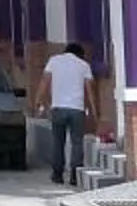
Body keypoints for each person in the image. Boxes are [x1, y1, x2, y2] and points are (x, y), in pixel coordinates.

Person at [38, 41, 95, 187]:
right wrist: (93, 111)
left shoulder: (54, 61)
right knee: (77, 143)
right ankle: (75, 175)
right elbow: (89, 90)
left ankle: (57, 174)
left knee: (58, 142)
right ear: (80, 54)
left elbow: (44, 82)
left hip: (58, 108)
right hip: (77, 109)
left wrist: (39, 102)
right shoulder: (84, 65)